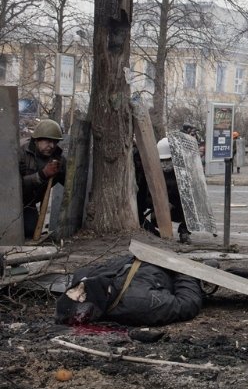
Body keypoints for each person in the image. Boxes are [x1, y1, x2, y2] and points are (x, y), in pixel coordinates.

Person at [55, 255, 204, 326]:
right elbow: (186, 304)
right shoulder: (140, 302)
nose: (80, 286)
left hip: (154, 259)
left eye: (72, 290)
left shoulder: (86, 278)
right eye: (79, 295)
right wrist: (187, 271)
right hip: (174, 270)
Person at [18, 119, 67, 239]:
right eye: (48, 141)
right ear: (36, 140)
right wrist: (43, 174)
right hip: (11, 203)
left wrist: (62, 173)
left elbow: (69, 184)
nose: (51, 146)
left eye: (55, 142)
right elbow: (14, 188)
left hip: (29, 205)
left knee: (30, 231)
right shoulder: (21, 153)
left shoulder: (58, 159)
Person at [137, 138, 192, 243]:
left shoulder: (183, 174)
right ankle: (152, 231)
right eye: (162, 160)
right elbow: (142, 198)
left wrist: (172, 203)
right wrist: (159, 204)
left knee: (190, 208)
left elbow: (189, 199)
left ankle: (184, 231)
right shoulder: (150, 173)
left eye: (168, 160)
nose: (165, 164)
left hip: (178, 209)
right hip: (157, 209)